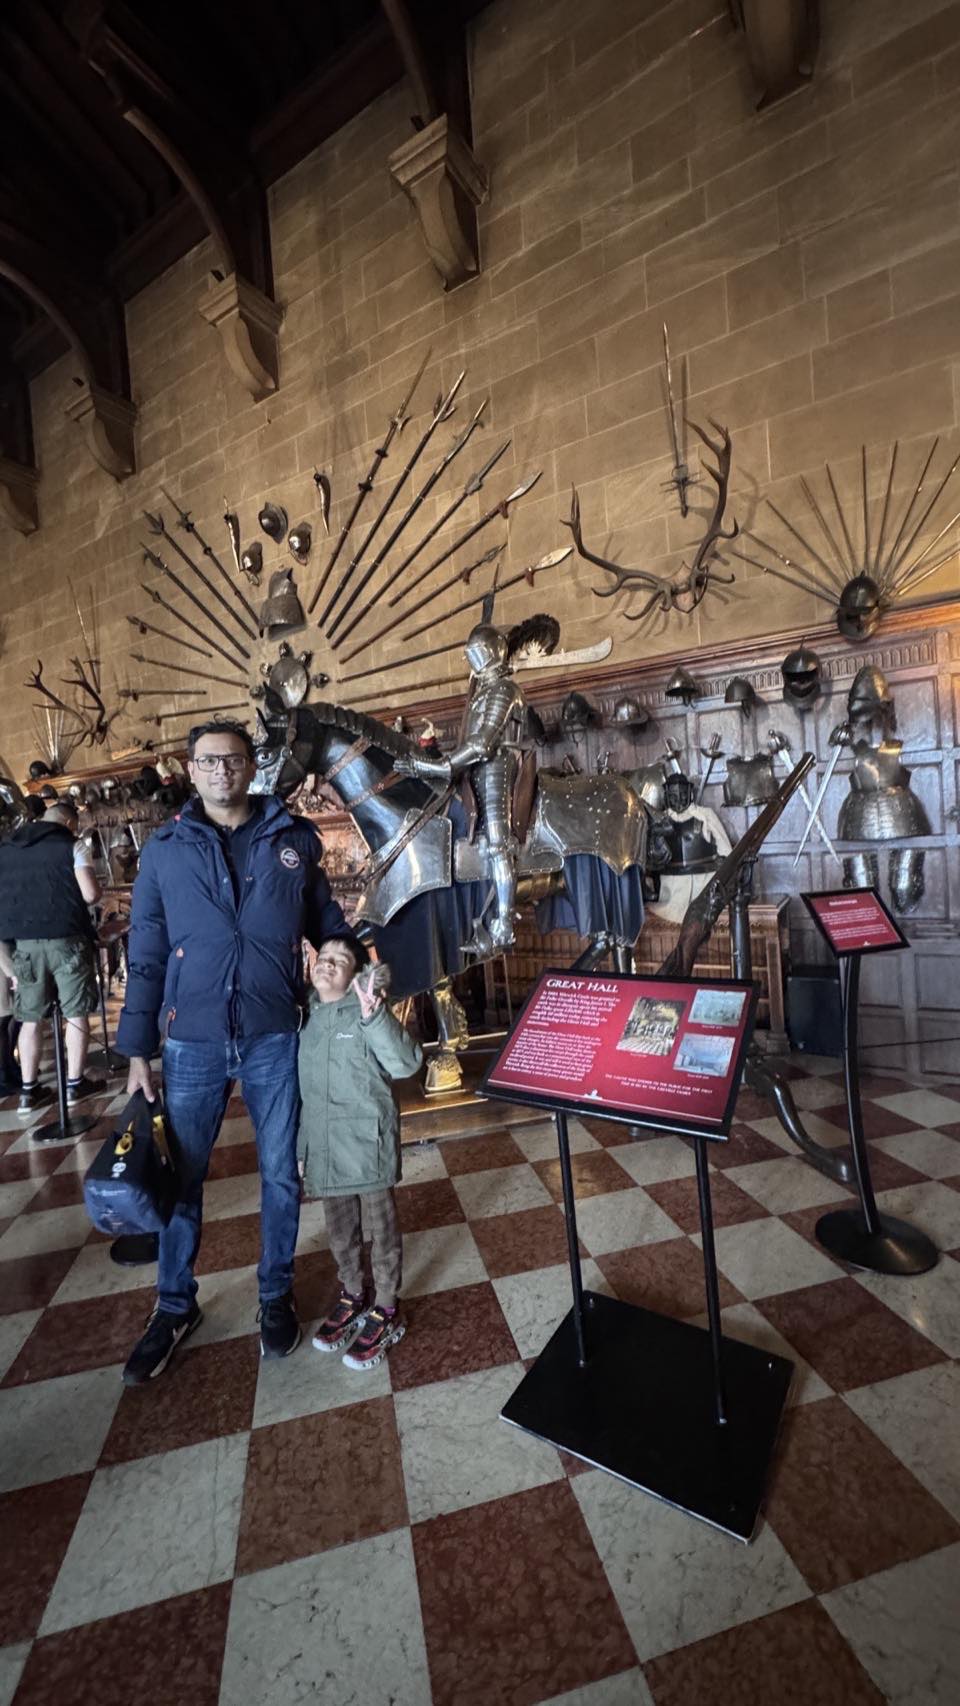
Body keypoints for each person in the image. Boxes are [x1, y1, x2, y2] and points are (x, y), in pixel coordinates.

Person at [116, 720, 347, 1385]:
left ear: (251, 766)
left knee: (280, 1173)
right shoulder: (165, 852)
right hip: (191, 1040)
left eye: (234, 759)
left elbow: (327, 923)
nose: (223, 770)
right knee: (181, 1180)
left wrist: (353, 960)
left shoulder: (291, 839)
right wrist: (138, 1049)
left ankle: (275, 1294)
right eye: (210, 761)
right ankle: (173, 1304)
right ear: (191, 769)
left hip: (274, 1033)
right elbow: (146, 953)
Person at [302, 933, 421, 1370]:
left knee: (381, 1230)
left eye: (341, 959)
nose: (328, 963)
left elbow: (406, 1063)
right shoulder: (308, 1020)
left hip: (368, 1143)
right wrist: (304, 1148)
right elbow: (305, 1094)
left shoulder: (368, 1012)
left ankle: (386, 1306)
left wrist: (375, 1017)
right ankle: (353, 1294)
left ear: (356, 975)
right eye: (324, 956)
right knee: (340, 1231)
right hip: (327, 1148)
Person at [0, 799, 102, 1116]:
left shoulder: (7, 849)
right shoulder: (72, 845)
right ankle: (74, 1084)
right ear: (69, 823)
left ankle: (28, 1091)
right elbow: (90, 894)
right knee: (75, 1012)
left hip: (24, 945)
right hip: (67, 940)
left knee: (30, 1018)